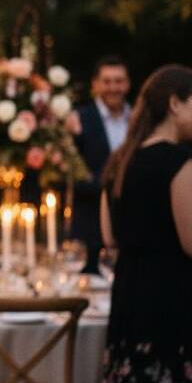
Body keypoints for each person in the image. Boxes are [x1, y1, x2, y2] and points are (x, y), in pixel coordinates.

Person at [100, 64, 192, 383]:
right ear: (175, 104)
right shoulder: (177, 161)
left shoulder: (120, 160)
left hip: (129, 306)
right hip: (173, 309)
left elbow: (110, 237)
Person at [70, 55, 131, 273]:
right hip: (91, 228)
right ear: (95, 85)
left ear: (128, 84)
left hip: (131, 228)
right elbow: (73, 174)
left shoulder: (137, 119)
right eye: (107, 81)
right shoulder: (79, 119)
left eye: (119, 81)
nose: (113, 87)